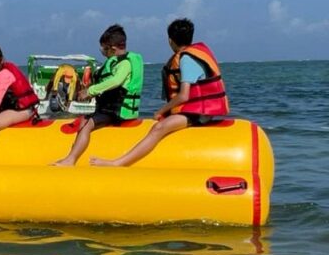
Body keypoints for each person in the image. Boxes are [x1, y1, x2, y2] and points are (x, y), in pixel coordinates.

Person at [90, 17, 229, 167]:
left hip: (199, 114)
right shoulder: (195, 53)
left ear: (170, 41)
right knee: (162, 123)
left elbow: (184, 95)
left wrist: (160, 111)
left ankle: (118, 163)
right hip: (200, 111)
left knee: (159, 127)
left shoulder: (186, 59)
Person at [53, 23, 143, 166]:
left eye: (104, 49)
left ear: (112, 48)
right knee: (83, 121)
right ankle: (71, 153)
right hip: (111, 109)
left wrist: (90, 91)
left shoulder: (125, 63)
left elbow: (116, 81)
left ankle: (71, 160)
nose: (103, 52)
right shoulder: (116, 63)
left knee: (88, 124)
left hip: (118, 112)